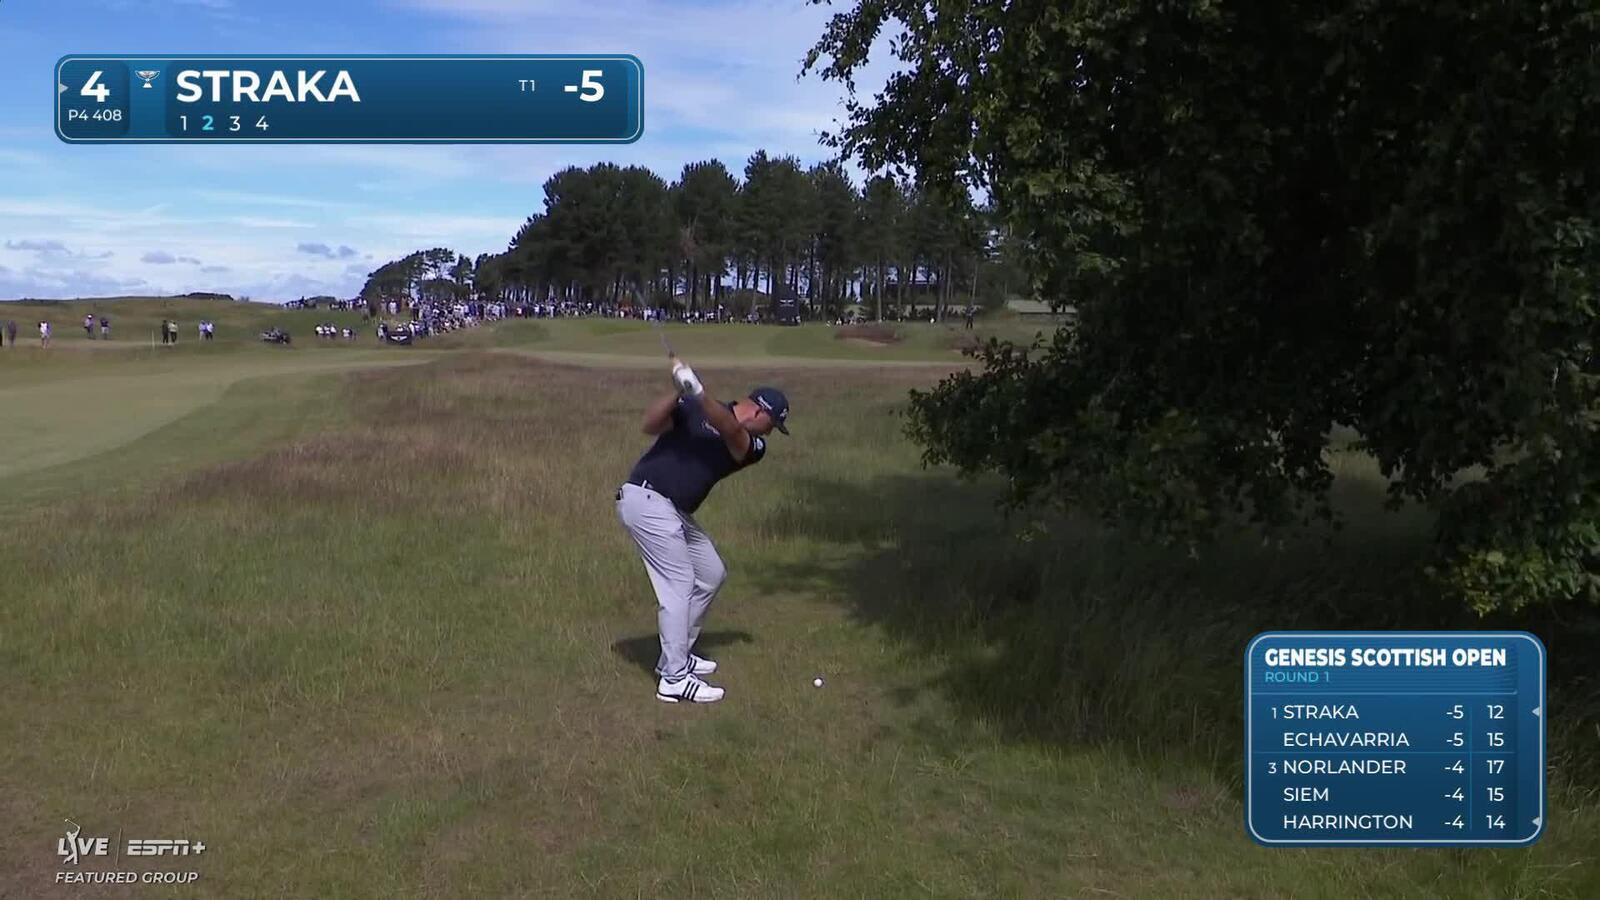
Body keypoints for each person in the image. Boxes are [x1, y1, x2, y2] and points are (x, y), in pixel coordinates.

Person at [616, 355, 790, 704]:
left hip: (674, 511)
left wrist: (697, 391)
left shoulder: (753, 446)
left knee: (711, 573)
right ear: (759, 412)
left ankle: (676, 652)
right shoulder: (696, 406)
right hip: (646, 499)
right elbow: (650, 425)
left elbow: (729, 429)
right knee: (678, 585)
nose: (770, 434)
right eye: (772, 425)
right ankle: (674, 678)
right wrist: (677, 389)